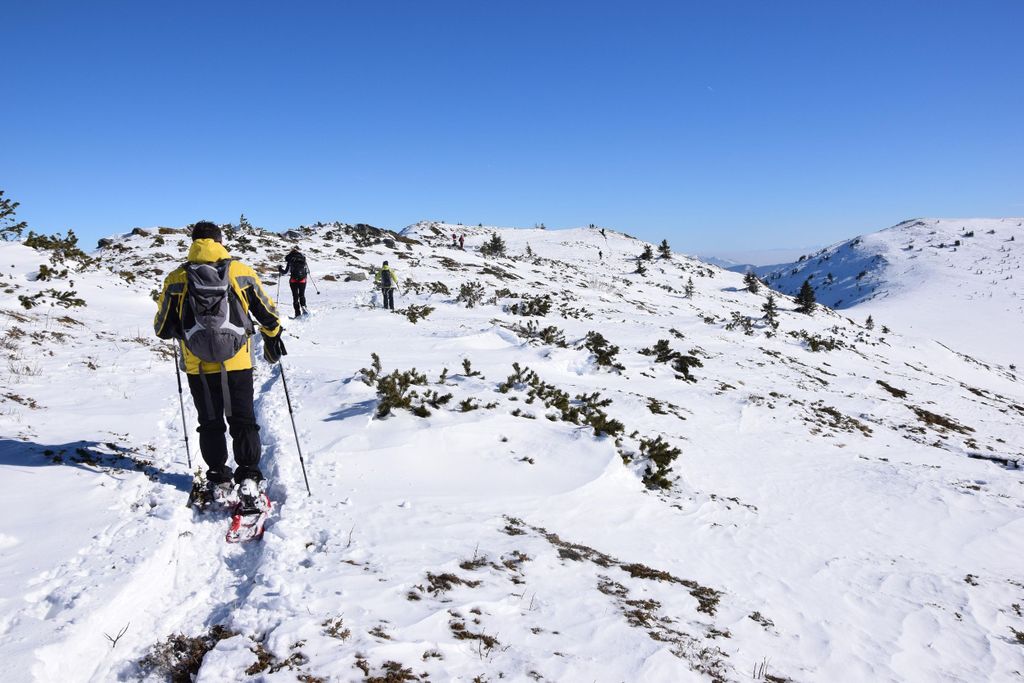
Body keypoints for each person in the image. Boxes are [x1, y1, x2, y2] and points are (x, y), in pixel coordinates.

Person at [154, 221, 285, 504]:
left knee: (210, 422)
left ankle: (218, 478)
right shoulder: (240, 271)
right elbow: (268, 313)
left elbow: (162, 328)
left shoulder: (176, 278)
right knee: (243, 420)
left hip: (197, 365)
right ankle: (249, 476)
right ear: (220, 241)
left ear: (193, 242)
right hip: (237, 361)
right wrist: (273, 336)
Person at [279, 247, 309, 318]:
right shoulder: (303, 259)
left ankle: (297, 313)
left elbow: (285, 272)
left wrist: (280, 269)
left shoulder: (291, 260)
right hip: (302, 280)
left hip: (293, 280)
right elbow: (307, 271)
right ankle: (304, 308)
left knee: (295, 297)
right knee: (302, 295)